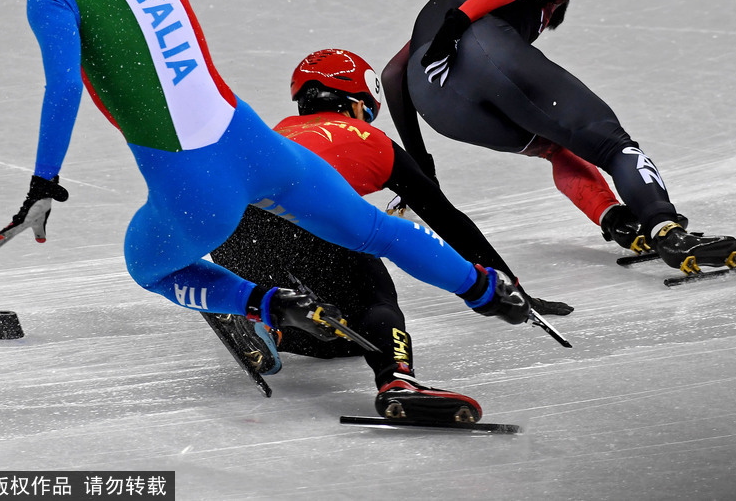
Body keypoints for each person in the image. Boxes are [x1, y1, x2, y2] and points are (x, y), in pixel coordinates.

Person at [0, 0, 537, 417]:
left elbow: (63, 88)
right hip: (259, 148)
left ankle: (262, 303)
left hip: (196, 190)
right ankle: (486, 292)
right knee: (373, 230)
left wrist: (42, 185)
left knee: (147, 264)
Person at [210, 48, 572, 421]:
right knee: (374, 302)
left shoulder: (281, 131)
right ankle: (397, 381)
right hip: (314, 215)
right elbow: (448, 220)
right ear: (356, 104)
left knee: (336, 330)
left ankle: (265, 323)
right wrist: (506, 283)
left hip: (231, 227)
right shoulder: (372, 138)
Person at [381, 0, 736, 275]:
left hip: (436, 102)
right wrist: (457, 25)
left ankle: (617, 219)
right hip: (478, 50)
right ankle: (668, 232)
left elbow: (393, 74)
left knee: (557, 146)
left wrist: (419, 163)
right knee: (613, 145)